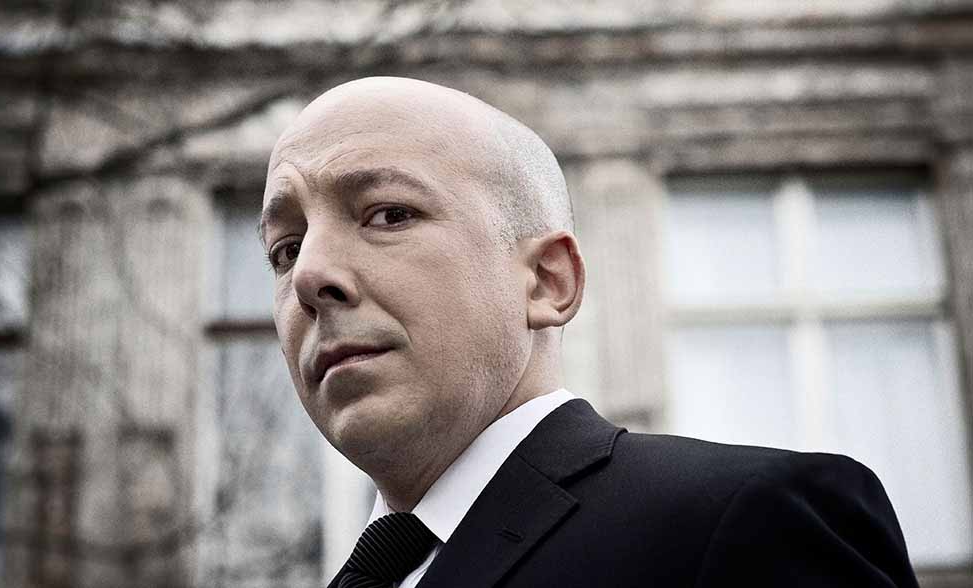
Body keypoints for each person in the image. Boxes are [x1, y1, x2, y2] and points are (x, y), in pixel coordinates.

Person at [260, 76, 919, 588]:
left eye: (387, 215)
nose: (310, 275)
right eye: (285, 249)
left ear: (546, 281)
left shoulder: (747, 523)